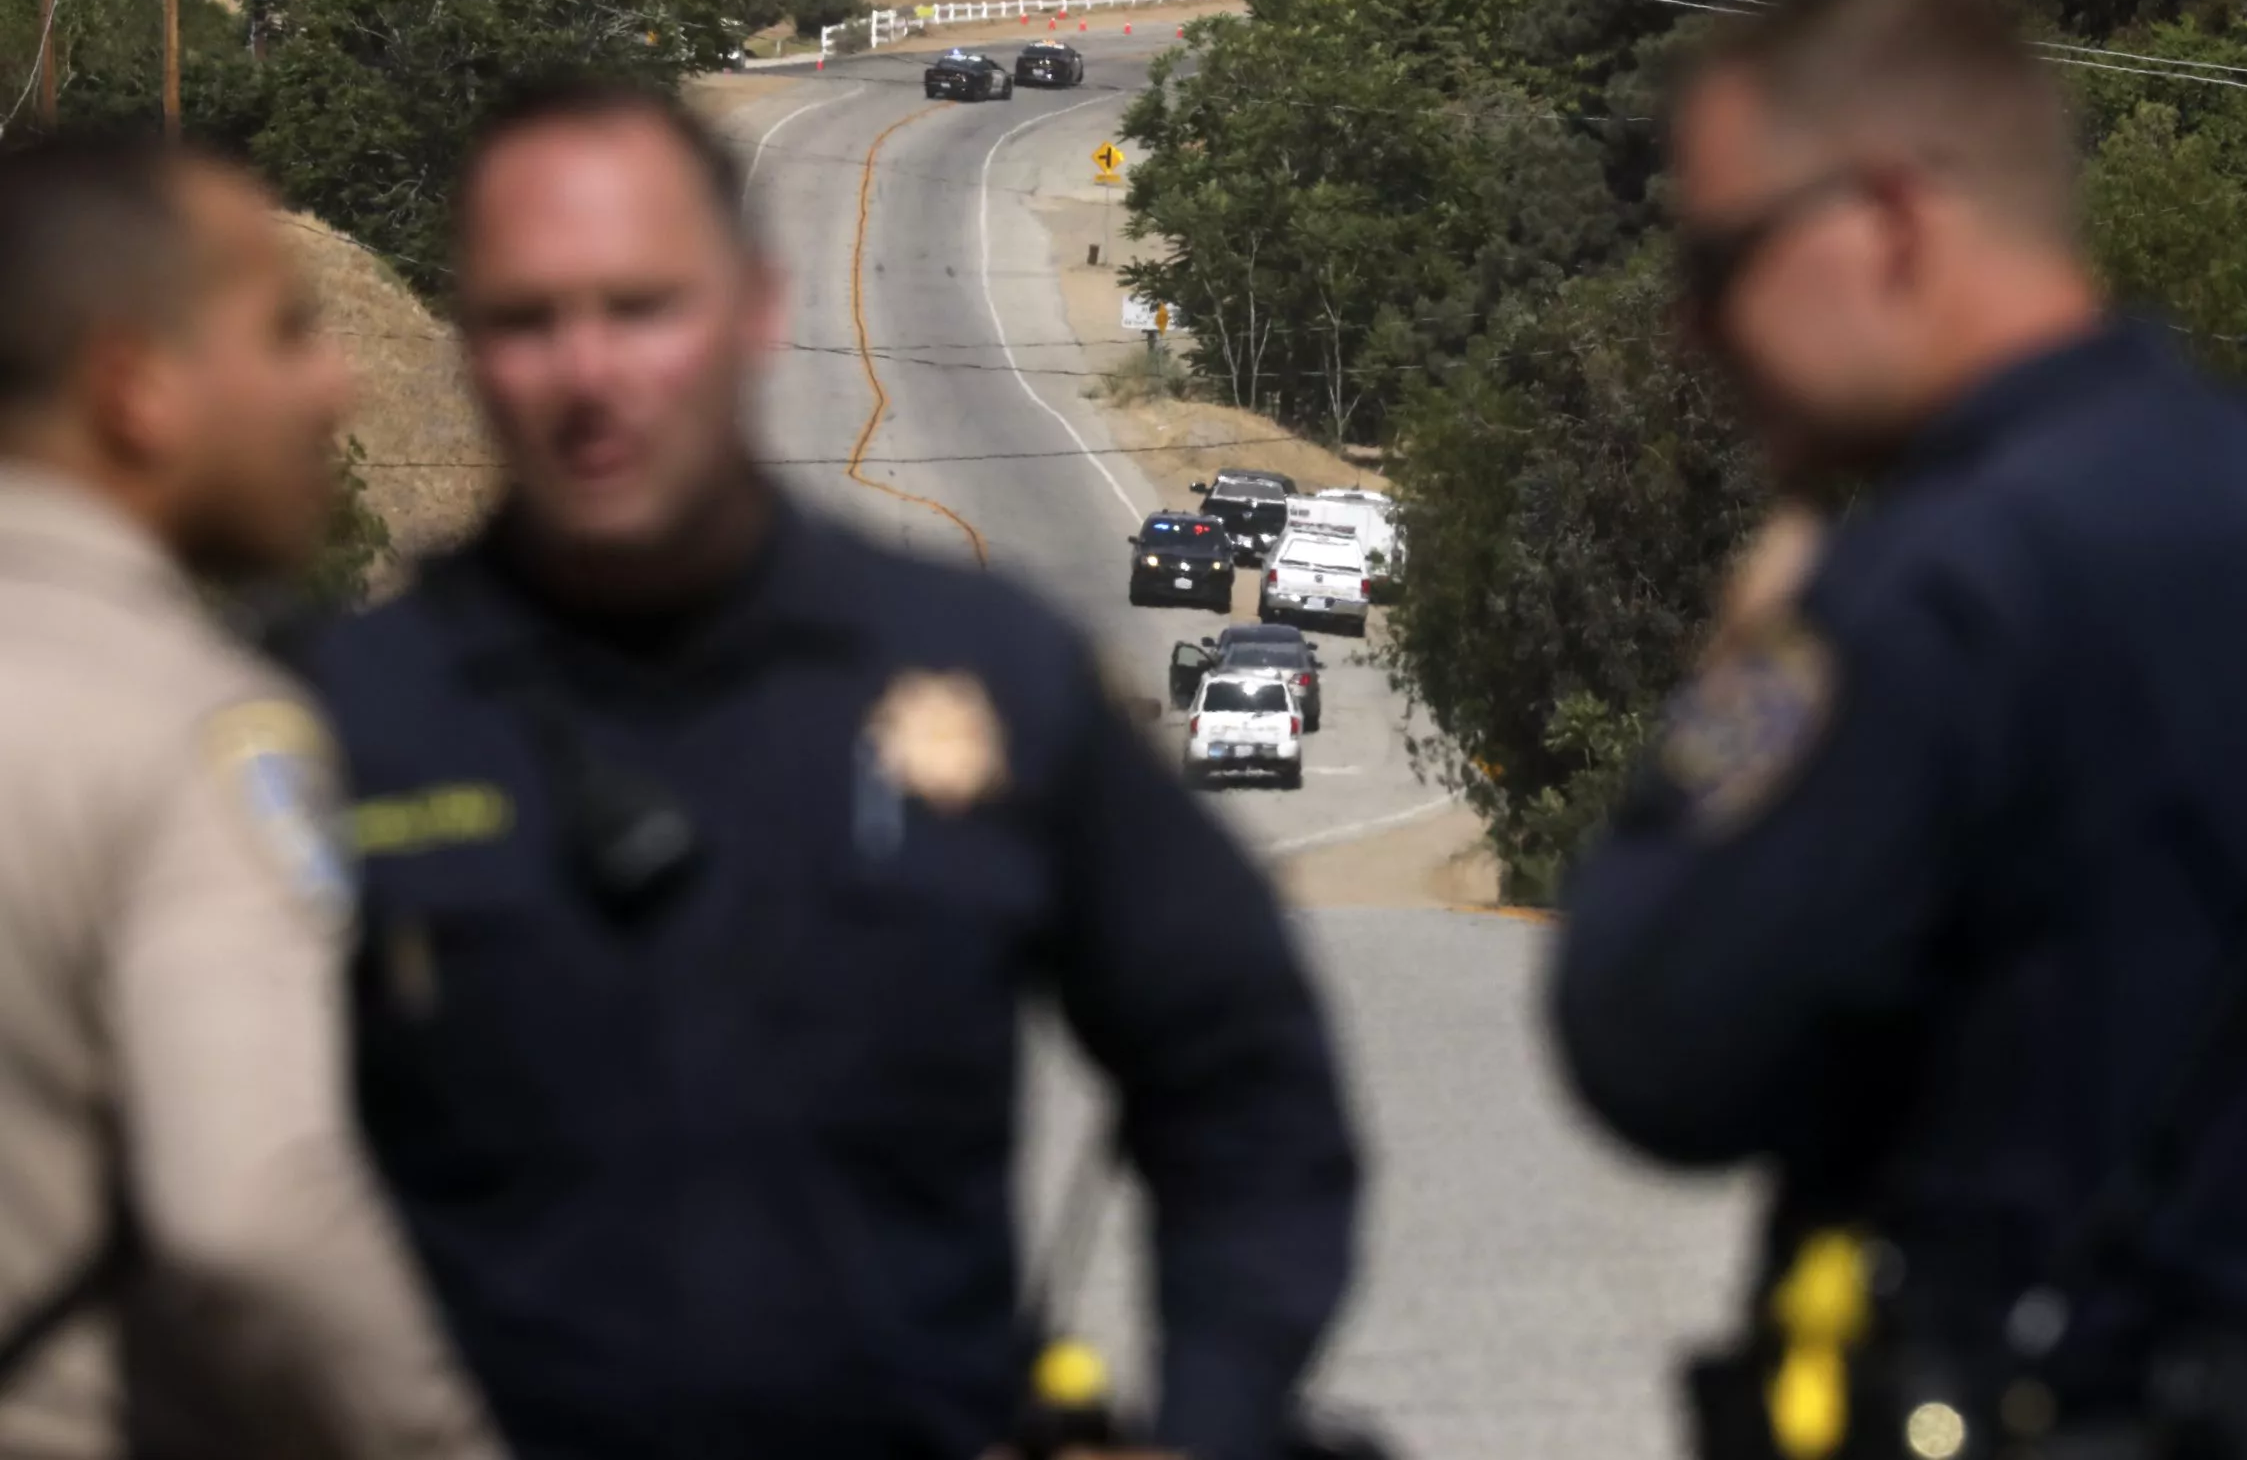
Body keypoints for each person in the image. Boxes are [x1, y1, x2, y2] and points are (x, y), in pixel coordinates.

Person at [1551, 0, 2247, 1460]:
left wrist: (1742, 674)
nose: (1697, 330)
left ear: (1888, 218)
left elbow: (1655, 1041)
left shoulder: (1930, 592)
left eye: (1720, 264)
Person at [301, 78, 1360, 1460]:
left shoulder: (981, 671)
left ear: (752, 309)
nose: (589, 373)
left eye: (641, 308)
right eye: (524, 322)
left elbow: (1245, 1075)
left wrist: (1212, 1415)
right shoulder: (341, 726)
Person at [0, 137, 502, 1459]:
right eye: (282, 332)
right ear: (136, 388)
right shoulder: (189, 730)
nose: (334, 384)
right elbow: (255, 1215)